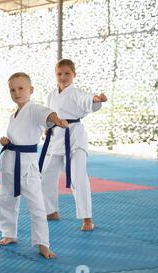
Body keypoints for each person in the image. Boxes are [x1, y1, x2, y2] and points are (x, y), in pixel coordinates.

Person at [0, 72, 68, 259]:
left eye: (21, 88)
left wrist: (56, 119)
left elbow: (47, 114)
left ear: (31, 90)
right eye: (12, 89)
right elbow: (16, 136)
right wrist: (6, 140)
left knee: (37, 204)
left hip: (26, 164)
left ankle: (43, 243)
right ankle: (9, 233)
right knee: (5, 199)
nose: (16, 92)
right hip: (10, 160)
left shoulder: (34, 109)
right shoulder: (14, 115)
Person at [38, 59, 107, 231]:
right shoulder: (52, 94)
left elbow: (87, 99)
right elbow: (49, 114)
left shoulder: (76, 93)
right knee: (46, 174)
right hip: (56, 138)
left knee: (78, 176)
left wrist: (96, 98)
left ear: (74, 75)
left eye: (67, 73)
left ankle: (87, 218)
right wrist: (47, 127)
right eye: (59, 73)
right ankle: (51, 210)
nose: (63, 77)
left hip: (75, 138)